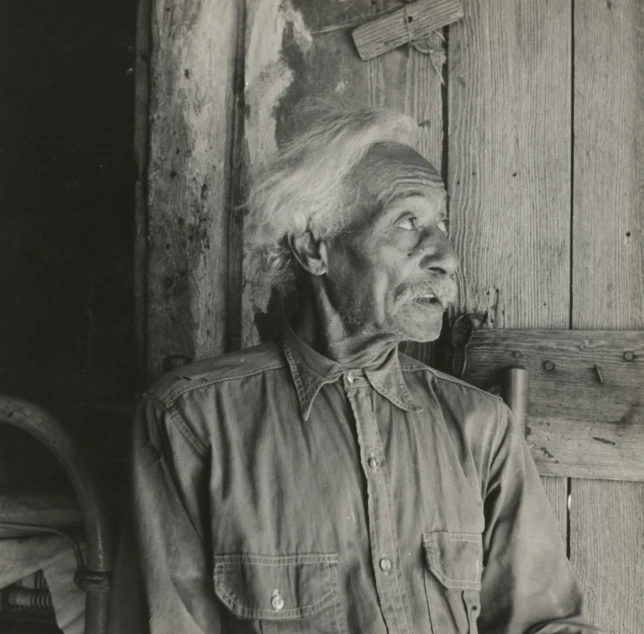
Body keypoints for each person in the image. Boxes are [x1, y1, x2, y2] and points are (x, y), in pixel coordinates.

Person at [132, 105, 601, 633]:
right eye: (408, 222)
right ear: (314, 246)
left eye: (441, 223)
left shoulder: (480, 426)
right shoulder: (191, 420)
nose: (446, 256)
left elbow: (546, 623)